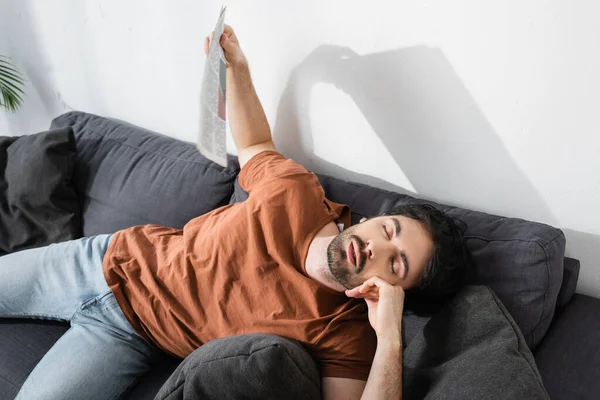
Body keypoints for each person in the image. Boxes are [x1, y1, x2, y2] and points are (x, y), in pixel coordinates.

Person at [0, 25, 471, 400]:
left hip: (128, 338)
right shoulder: (297, 192)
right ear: (373, 219)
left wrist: (389, 338)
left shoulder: (346, 336)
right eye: (389, 230)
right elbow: (254, 145)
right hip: (100, 259)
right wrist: (238, 70)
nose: (376, 246)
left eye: (395, 264)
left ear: (392, 291)